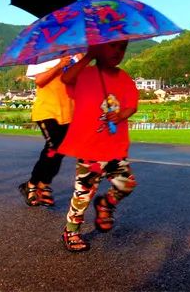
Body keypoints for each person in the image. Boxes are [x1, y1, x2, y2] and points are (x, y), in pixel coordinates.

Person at [57, 39, 138, 252]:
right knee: (83, 193)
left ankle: (105, 204)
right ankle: (71, 230)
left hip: (114, 149)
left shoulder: (123, 78)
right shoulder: (85, 74)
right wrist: (88, 56)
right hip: (89, 149)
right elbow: (66, 78)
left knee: (126, 184)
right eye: (112, 46)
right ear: (98, 47)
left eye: (122, 48)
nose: (118, 52)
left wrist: (121, 115)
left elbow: (132, 105)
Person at [18, 53, 80, 208]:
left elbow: (83, 79)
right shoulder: (42, 55)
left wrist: (82, 59)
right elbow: (40, 81)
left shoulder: (76, 56)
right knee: (52, 147)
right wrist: (59, 65)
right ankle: (32, 185)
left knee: (59, 152)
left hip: (68, 112)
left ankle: (43, 184)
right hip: (47, 111)